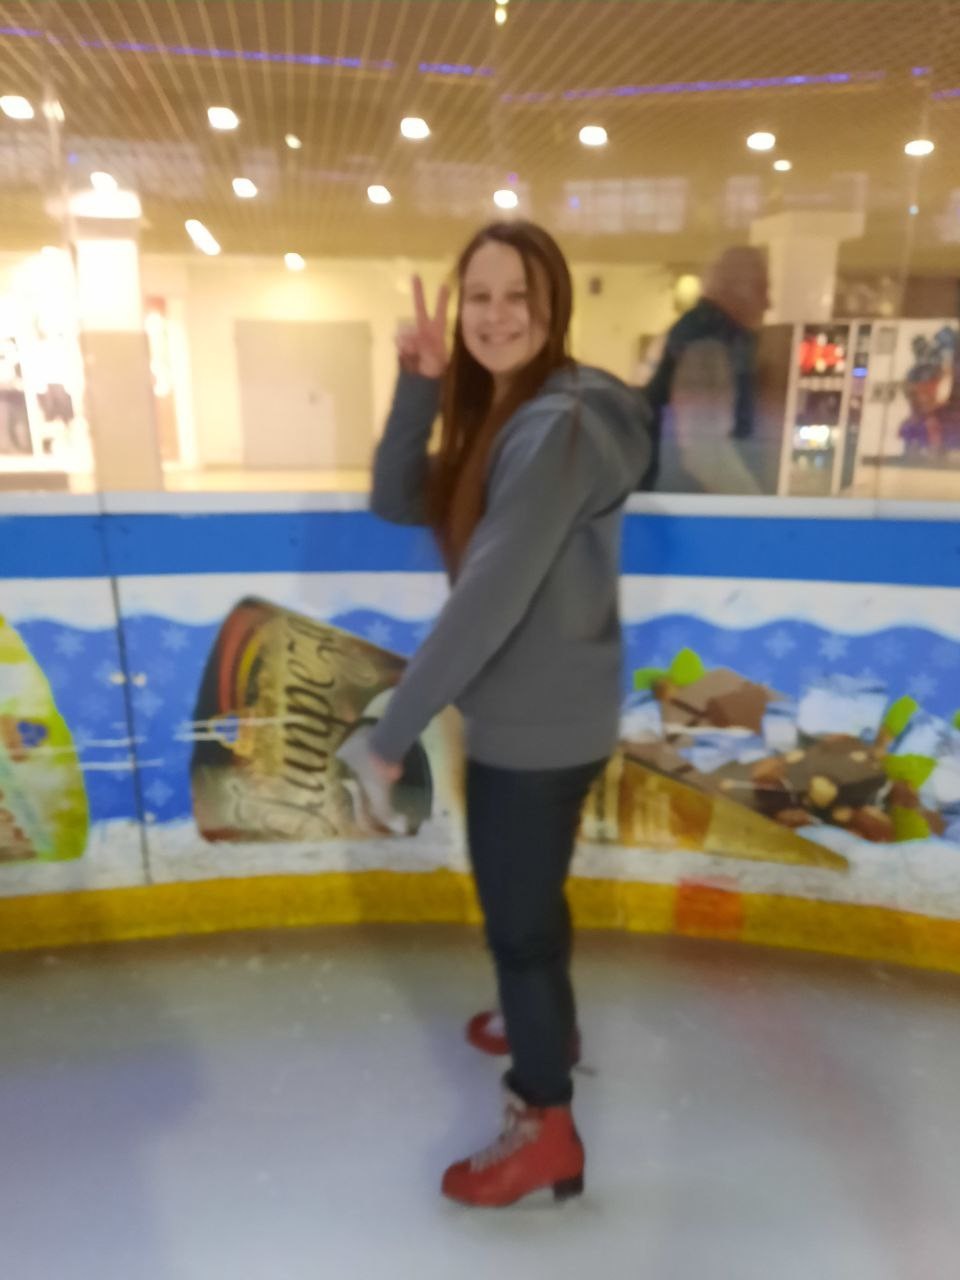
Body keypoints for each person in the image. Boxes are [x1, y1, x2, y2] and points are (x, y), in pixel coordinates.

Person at [337, 221, 649, 1207]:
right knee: (531, 903)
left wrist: (390, 737)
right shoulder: (506, 413)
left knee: (516, 926)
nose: (497, 315)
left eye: (520, 296)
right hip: (543, 711)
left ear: (555, 307)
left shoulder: (558, 428)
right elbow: (398, 498)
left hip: (536, 727)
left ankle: (544, 1123)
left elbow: (488, 597)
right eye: (480, 296)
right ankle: (546, 1022)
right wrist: (422, 384)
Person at [639, 245, 770, 493]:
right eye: (761, 289)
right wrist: (756, 506)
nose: (768, 303)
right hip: (688, 500)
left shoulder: (696, 334)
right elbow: (705, 454)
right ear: (736, 289)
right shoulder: (707, 344)